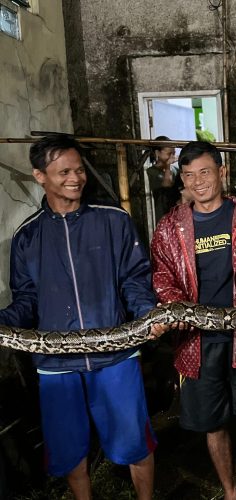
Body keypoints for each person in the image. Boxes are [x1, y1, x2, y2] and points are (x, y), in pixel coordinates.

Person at [0, 134, 168, 500]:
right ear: (39, 175)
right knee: (69, 449)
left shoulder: (113, 221)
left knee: (135, 443)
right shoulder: (27, 236)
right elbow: (26, 299)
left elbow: (135, 279)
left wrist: (148, 315)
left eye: (78, 170)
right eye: (63, 172)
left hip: (116, 359)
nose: (75, 178)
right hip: (56, 366)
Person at [150, 141, 236, 500]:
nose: (198, 181)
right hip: (196, 341)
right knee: (212, 422)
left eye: (205, 172)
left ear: (222, 171)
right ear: (181, 179)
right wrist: (176, 305)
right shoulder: (170, 227)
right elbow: (162, 275)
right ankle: (231, 491)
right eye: (189, 175)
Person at [146, 136, 180, 220]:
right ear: (157, 153)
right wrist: (168, 166)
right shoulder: (151, 171)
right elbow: (166, 186)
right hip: (162, 211)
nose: (172, 156)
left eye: (174, 153)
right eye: (169, 153)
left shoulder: (176, 170)